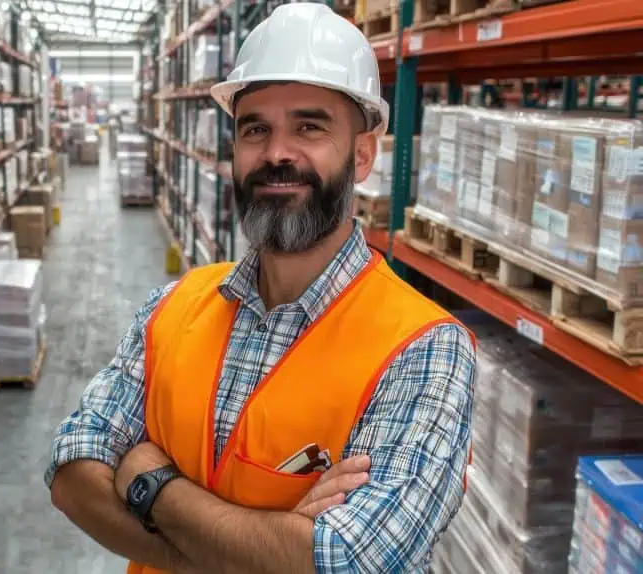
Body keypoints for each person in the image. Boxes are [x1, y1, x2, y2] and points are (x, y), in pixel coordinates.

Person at [45, 4, 477, 573]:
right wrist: (265, 549)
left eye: (310, 126)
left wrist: (153, 486)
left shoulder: (423, 350)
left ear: (364, 155)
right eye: (255, 129)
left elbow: (349, 562)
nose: (276, 153)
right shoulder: (173, 307)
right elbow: (73, 472)